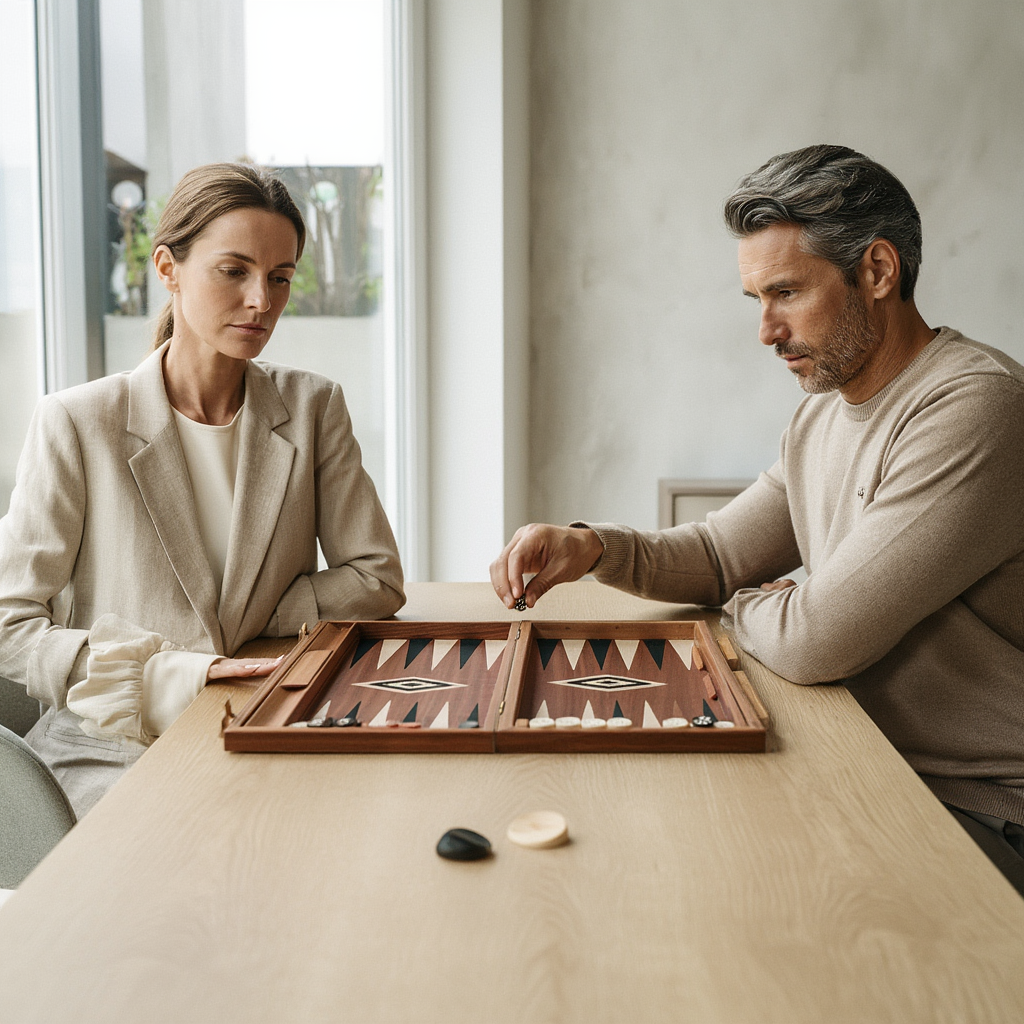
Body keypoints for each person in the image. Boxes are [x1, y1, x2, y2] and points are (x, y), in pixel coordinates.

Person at [490, 145, 1024, 895]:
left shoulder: (977, 407)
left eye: (786, 294)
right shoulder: (822, 418)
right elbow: (716, 555)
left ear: (876, 271)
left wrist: (753, 608)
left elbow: (814, 641)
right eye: (757, 301)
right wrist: (591, 547)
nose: (766, 331)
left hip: (981, 810)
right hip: (870, 760)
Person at [0, 163, 405, 816]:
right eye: (234, 271)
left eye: (279, 278)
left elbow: (377, 576)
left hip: (266, 720)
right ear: (168, 268)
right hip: (111, 748)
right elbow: (9, 624)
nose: (262, 302)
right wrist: (167, 673)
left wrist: (254, 616)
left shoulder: (312, 406)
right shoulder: (78, 422)